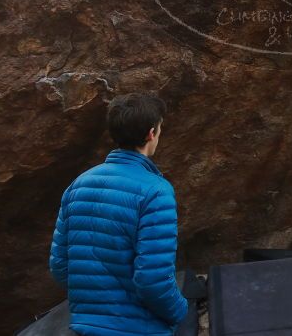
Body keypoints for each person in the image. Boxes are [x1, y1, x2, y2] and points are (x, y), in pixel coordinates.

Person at [49, 92, 188, 335]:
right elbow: (152, 281)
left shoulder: (78, 184)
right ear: (151, 133)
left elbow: (60, 266)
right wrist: (182, 312)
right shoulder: (156, 192)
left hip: (85, 327)